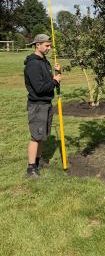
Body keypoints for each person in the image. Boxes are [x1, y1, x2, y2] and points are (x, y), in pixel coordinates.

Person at [24, 34, 61, 178]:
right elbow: (39, 88)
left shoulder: (44, 61)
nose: (49, 48)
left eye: (50, 46)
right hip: (38, 105)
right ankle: (31, 168)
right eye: (46, 46)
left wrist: (56, 74)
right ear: (37, 45)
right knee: (36, 136)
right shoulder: (33, 64)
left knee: (42, 136)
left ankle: (38, 163)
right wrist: (55, 82)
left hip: (46, 103)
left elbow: (48, 81)